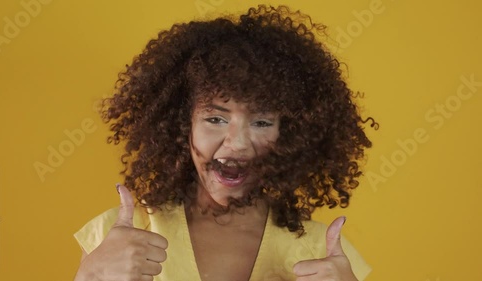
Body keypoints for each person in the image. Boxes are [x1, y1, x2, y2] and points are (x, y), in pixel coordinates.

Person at [73, 4, 377, 281]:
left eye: (261, 122)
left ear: (290, 135)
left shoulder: (322, 250)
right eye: (215, 119)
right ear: (182, 125)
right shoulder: (122, 235)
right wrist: (91, 275)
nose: (237, 144)